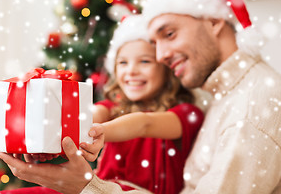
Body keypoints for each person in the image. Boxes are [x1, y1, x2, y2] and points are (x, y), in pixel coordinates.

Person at [0, 0, 281, 193]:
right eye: (154, 43)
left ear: (214, 21)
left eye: (169, 33)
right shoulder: (226, 98)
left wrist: (87, 188)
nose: (161, 56)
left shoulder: (252, 105)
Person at [86, 14, 204, 194]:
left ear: (166, 69)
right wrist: (71, 126)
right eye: (123, 62)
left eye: (144, 61)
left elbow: (144, 124)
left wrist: (99, 133)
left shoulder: (188, 114)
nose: (131, 71)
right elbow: (92, 114)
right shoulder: (114, 107)